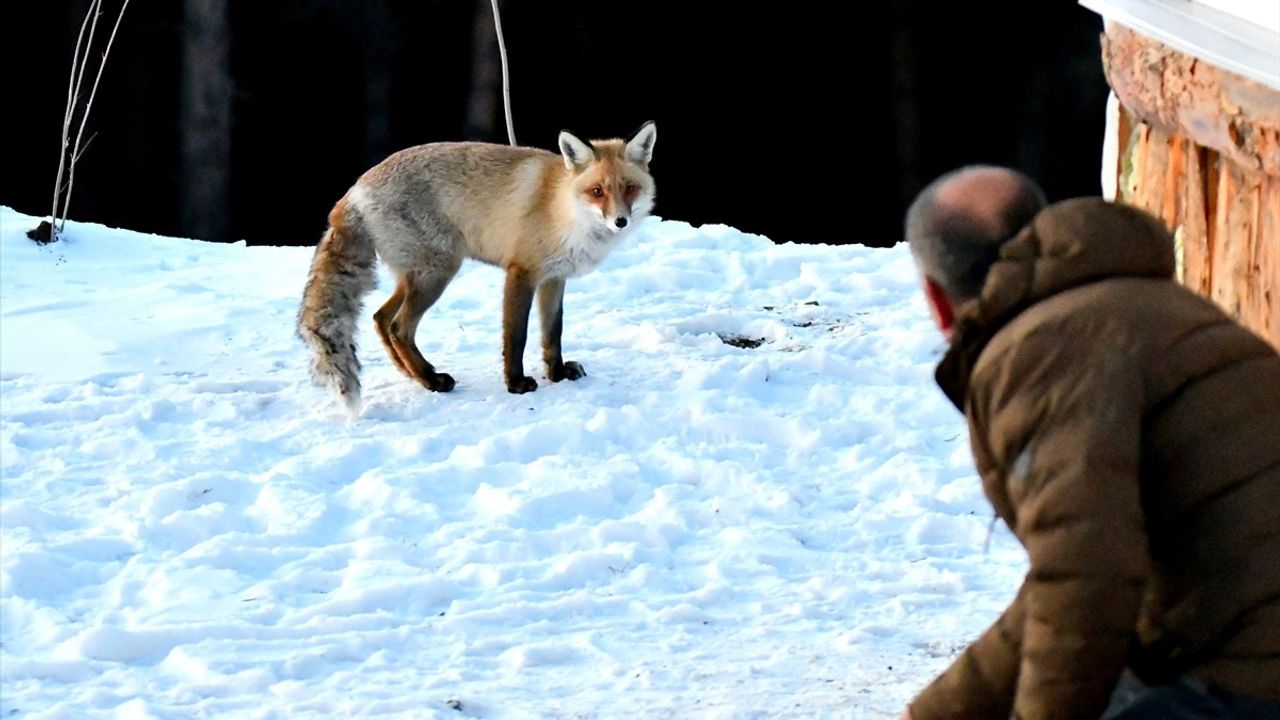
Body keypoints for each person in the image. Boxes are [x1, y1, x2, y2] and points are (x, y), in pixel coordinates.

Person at [899, 166, 1280, 720]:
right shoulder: (1160, 310)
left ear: (937, 301)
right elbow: (1064, 583)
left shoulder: (1039, 351)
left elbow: (1087, 583)